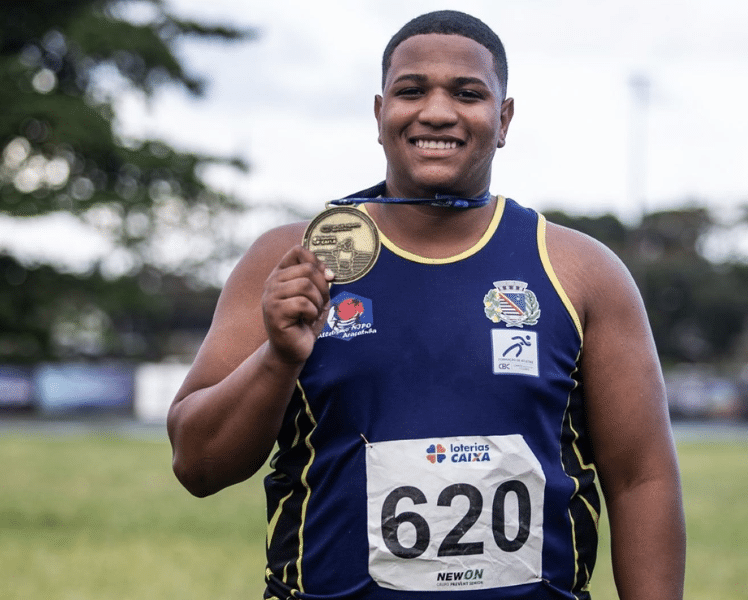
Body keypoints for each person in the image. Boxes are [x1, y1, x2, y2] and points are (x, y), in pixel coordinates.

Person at [168, 10, 685, 600]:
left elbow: (641, 480)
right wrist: (278, 357)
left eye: (467, 93)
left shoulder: (580, 272)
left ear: (504, 117)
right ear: (380, 112)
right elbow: (196, 465)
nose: (436, 112)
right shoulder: (292, 259)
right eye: (411, 91)